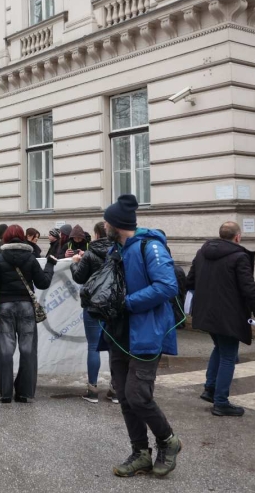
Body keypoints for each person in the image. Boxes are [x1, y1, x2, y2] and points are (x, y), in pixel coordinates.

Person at [100, 194, 182, 478]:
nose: (103, 224)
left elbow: (167, 286)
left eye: (106, 220)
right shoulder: (116, 249)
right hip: (119, 333)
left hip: (146, 332)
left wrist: (128, 303)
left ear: (117, 224)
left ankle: (168, 441)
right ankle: (140, 453)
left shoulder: (150, 246)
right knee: (124, 396)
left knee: (138, 396)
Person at [185, 221, 255, 416]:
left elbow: (190, 281)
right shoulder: (239, 257)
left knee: (220, 349)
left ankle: (210, 388)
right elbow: (249, 289)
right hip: (229, 315)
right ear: (237, 237)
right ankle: (221, 402)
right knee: (228, 356)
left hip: (205, 312)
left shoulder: (202, 252)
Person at [0, 224, 55, 404]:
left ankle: (6, 394)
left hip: (6, 306)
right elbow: (43, 283)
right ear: (23, 237)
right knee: (28, 350)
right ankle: (24, 393)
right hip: (26, 307)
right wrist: (50, 265)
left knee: (6, 350)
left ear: (6, 238)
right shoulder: (30, 258)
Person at [71, 222, 117, 404]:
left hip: (93, 305)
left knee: (93, 346)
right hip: (114, 305)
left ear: (96, 235)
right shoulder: (118, 253)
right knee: (114, 346)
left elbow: (79, 277)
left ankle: (92, 389)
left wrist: (76, 263)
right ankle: (115, 389)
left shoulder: (90, 254)